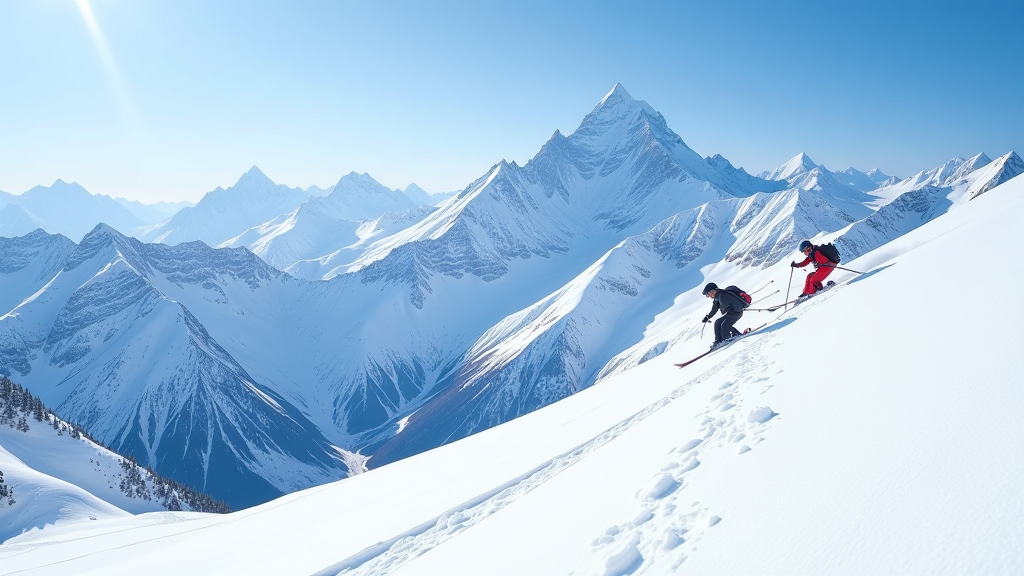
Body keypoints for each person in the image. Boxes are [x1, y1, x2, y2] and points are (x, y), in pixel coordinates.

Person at [701, 282, 745, 349]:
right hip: (732, 313)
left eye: (708, 294)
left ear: (713, 291)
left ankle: (726, 338)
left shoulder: (723, 295)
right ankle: (719, 341)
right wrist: (708, 317)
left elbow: (727, 305)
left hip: (736, 312)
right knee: (718, 322)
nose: (709, 296)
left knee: (724, 325)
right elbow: (714, 309)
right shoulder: (717, 297)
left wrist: (727, 308)